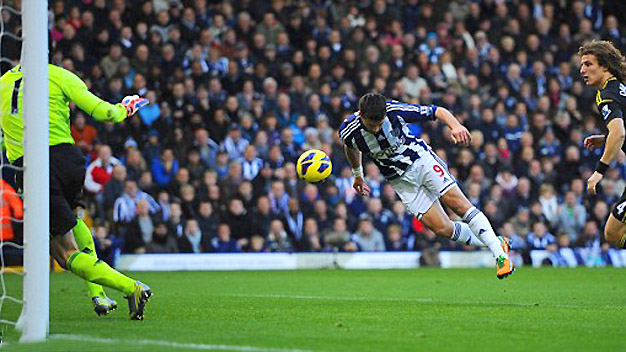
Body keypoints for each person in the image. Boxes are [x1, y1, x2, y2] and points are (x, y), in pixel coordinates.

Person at [0, 62, 152, 319]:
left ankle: (132, 287)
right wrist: (125, 109)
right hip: (68, 160)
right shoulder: (58, 74)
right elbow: (102, 111)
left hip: (32, 166)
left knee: (61, 251)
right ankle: (99, 295)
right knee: (75, 219)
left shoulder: (3, 83)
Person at [338, 92, 514, 279]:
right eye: (372, 125)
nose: (376, 129)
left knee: (460, 206)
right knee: (442, 228)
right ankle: (496, 242)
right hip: (401, 181)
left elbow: (437, 111)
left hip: (421, 162)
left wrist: (455, 126)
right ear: (361, 115)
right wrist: (358, 174)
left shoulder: (394, 110)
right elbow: (350, 147)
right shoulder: (349, 130)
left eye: (380, 124)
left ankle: (500, 257)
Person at [580, 40, 626, 249]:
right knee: (613, 233)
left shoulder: (606, 95)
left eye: (588, 64)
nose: (583, 70)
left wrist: (599, 171)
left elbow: (619, 132)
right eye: (582, 65)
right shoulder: (620, 87)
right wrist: (605, 138)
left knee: (613, 234)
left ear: (605, 66)